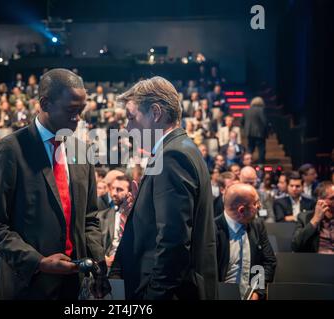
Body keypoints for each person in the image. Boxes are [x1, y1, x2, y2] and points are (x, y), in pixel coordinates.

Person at [0, 68, 109, 300]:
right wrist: (39, 262)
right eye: (71, 110)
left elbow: (90, 218)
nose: (78, 118)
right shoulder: (9, 150)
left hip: (74, 285)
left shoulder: (82, 151)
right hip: (28, 286)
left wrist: (98, 263)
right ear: (45, 103)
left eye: (81, 111)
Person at [112, 76, 217, 300]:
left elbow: (174, 243)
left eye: (131, 118)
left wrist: (153, 298)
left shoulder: (171, 156)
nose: (127, 128)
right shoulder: (180, 148)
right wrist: (140, 212)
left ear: (156, 113)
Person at [215, 183, 276, 300]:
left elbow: (268, 261)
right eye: (255, 203)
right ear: (241, 210)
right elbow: (207, 274)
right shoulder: (211, 231)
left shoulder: (257, 226)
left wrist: (257, 291)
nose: (260, 205)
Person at [97, 175, 131, 268]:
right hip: (107, 265)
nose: (114, 193)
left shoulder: (138, 217)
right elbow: (96, 242)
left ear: (130, 192)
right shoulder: (102, 216)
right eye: (112, 188)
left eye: (120, 189)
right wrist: (103, 258)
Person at [292, 181, 334, 253]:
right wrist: (315, 220)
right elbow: (295, 245)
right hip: (317, 261)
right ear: (320, 200)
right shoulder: (305, 218)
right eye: (332, 198)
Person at [242, 97, 267, 164]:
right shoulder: (261, 110)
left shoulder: (246, 110)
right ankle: (260, 163)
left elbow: (242, 121)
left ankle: (248, 162)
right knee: (261, 149)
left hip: (249, 133)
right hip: (260, 133)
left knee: (250, 148)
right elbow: (264, 121)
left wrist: (245, 129)